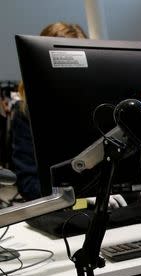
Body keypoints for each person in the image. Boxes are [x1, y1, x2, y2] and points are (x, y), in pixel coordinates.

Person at [11, 22, 87, 201]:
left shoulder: (98, 108)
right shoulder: (25, 113)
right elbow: (29, 184)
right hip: (62, 212)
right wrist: (79, 198)